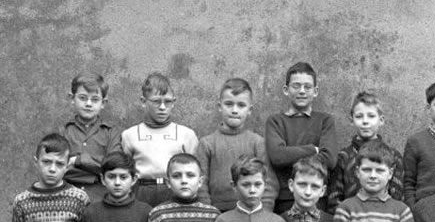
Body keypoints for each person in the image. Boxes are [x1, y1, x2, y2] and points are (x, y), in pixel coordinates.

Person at [196, 77, 278, 211]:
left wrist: (264, 213)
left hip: (252, 212)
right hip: (217, 212)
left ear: (250, 110)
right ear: (219, 107)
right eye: (229, 104)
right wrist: (207, 212)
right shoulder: (207, 144)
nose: (234, 110)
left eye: (241, 105)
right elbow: (201, 185)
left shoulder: (257, 143)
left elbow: (269, 183)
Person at [265, 61, 336, 213]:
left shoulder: (325, 120)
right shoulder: (275, 121)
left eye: (307, 87)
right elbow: (277, 156)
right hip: (285, 198)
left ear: (315, 91)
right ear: (286, 90)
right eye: (296, 86)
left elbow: (329, 159)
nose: (302, 91)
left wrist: (290, 152)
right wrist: (314, 150)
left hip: (318, 199)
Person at [122, 72, 199, 207]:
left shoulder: (186, 134)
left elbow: (196, 171)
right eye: (156, 101)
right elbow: (125, 172)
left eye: (168, 102)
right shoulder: (130, 135)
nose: (162, 107)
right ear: (143, 102)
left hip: (175, 191)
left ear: (174, 102)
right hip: (142, 192)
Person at [327, 91, 404, 211]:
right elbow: (335, 200)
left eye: (371, 116)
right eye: (359, 116)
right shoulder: (343, 157)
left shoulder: (393, 156)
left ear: (381, 120)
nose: (365, 121)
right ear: (351, 120)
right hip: (351, 221)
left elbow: (398, 198)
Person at [62, 72, 122, 202]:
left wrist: (77, 160)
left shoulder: (111, 132)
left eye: (95, 99)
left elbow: (113, 166)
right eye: (83, 98)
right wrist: (96, 169)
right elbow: (60, 167)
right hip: (67, 196)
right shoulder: (64, 131)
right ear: (72, 99)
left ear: (103, 103)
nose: (88, 104)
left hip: (100, 197)